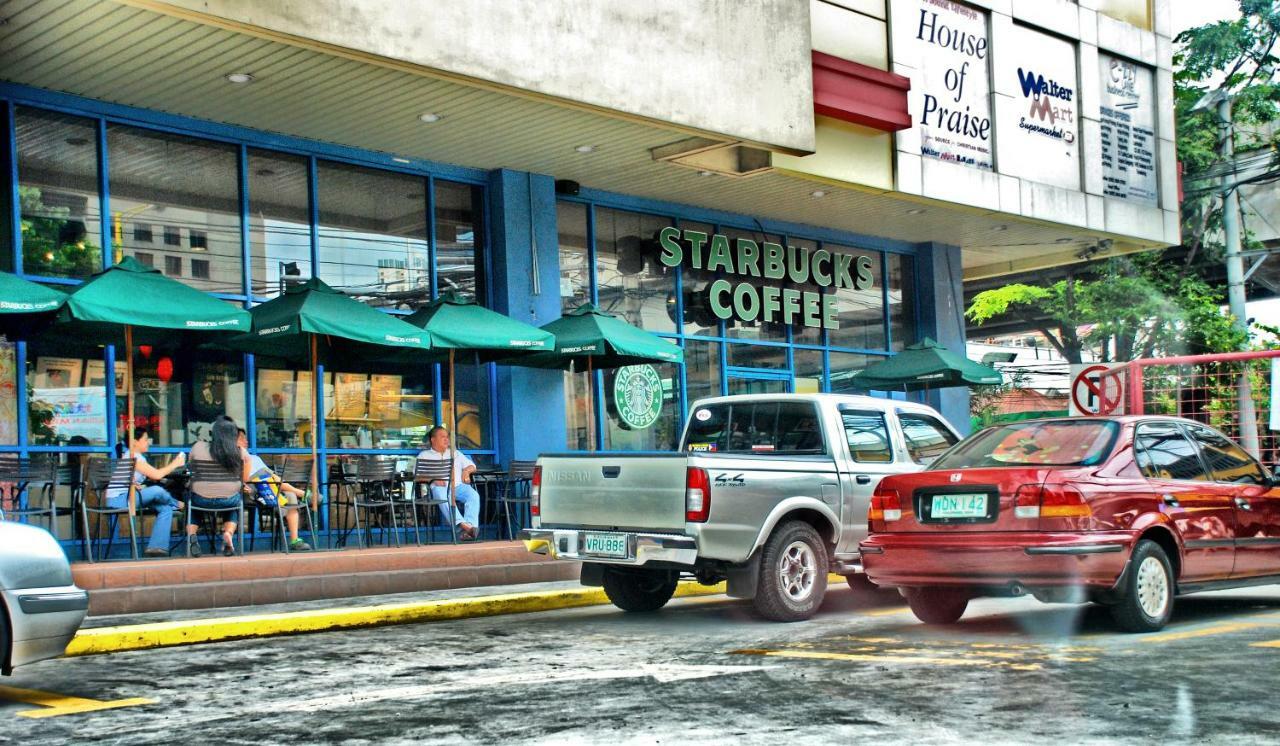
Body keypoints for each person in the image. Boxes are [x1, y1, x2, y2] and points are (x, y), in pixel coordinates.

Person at [107, 428, 185, 558]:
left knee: (165, 508)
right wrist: (175, 463)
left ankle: (157, 548)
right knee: (157, 490)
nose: (148, 442)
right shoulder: (133, 456)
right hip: (119, 499)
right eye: (145, 440)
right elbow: (156, 475)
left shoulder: (136, 457)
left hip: (129, 496)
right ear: (134, 442)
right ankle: (177, 504)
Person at [237, 428, 311, 551]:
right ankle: (302, 493)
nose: (246, 441)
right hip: (252, 494)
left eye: (245, 438)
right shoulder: (233, 458)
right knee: (276, 481)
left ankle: (295, 540)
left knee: (288, 494)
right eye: (241, 438)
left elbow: (271, 477)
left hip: (269, 490)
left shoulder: (254, 458)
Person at [186, 415, 250, 557]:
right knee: (235, 502)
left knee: (191, 502)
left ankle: (192, 535)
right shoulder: (239, 452)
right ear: (233, 435)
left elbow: (191, 468)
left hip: (201, 499)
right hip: (228, 500)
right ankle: (228, 534)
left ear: (214, 433)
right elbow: (245, 479)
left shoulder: (198, 446)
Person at [416, 425, 480, 540]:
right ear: (433, 439)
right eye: (442, 437)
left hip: (458, 487)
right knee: (442, 494)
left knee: (473, 495)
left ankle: (469, 529)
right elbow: (417, 476)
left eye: (447, 437)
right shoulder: (424, 455)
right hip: (439, 488)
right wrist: (433, 478)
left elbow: (472, 466)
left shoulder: (454, 453)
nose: (446, 439)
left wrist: (466, 471)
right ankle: (462, 525)